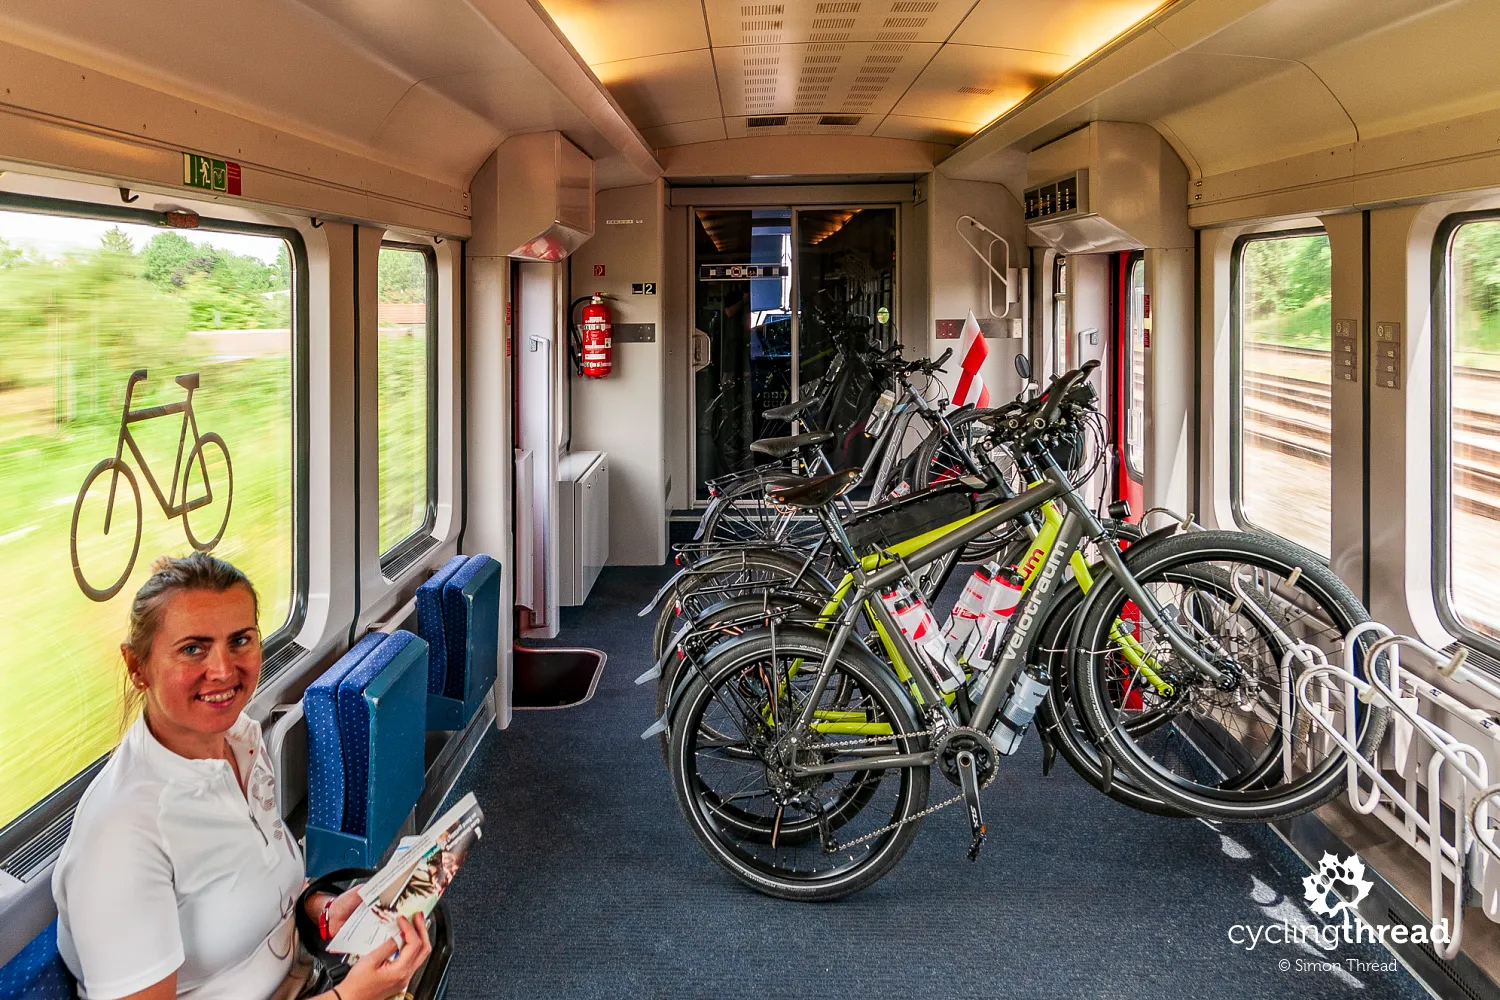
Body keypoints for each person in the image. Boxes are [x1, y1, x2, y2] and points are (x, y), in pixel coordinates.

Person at [52, 553, 432, 1000]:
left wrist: (321, 910)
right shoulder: (121, 835)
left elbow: (259, 881)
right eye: (193, 648)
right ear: (138, 667)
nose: (222, 670)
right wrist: (350, 998)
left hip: (304, 976)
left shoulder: (241, 741)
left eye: (240, 640)